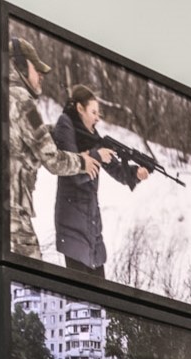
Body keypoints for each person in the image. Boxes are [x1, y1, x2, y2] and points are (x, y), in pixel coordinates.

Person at [7, 37, 100, 258]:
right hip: (12, 214)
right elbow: (53, 160)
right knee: (30, 283)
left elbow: (25, 140)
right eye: (36, 68)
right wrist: (82, 162)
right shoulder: (22, 101)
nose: (41, 76)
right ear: (19, 65)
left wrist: (58, 132)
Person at [51, 84, 149, 276]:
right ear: (80, 109)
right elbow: (73, 170)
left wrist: (135, 173)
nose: (98, 117)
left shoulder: (93, 137)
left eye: (99, 113)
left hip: (91, 224)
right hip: (73, 223)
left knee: (98, 294)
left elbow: (114, 168)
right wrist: (96, 155)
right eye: (93, 112)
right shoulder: (65, 125)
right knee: (80, 298)